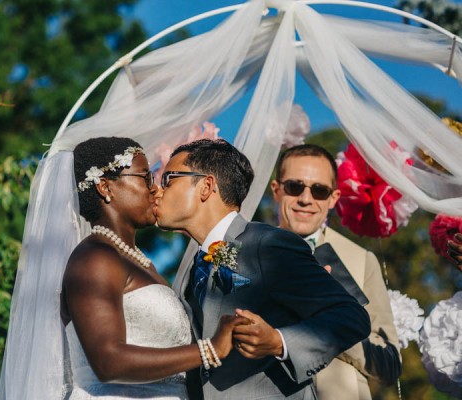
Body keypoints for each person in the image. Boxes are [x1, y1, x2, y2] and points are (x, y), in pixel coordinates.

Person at [155, 138, 371, 400]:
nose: (158, 190)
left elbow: (351, 316)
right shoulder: (193, 263)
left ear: (206, 186)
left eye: (169, 179)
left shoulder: (268, 244)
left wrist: (279, 342)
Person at [61, 137, 248, 399]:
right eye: (145, 178)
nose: (155, 190)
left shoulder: (140, 260)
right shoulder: (95, 257)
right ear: (105, 187)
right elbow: (107, 362)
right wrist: (209, 349)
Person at [270, 144, 401, 399]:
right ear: (276, 190)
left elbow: (390, 365)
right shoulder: (247, 251)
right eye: (294, 187)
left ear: (333, 198)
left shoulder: (362, 260)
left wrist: (331, 326)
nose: (306, 199)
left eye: (319, 190)